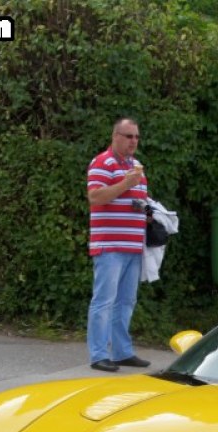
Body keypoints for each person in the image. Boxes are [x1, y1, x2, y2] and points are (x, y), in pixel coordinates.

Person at [85, 117, 151, 372]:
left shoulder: (136, 166)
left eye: (136, 137)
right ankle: (99, 354)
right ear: (115, 136)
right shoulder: (102, 163)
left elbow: (136, 200)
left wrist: (150, 212)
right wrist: (125, 183)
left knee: (126, 301)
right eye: (128, 136)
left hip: (132, 246)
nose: (133, 141)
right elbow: (95, 197)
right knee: (104, 301)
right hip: (110, 245)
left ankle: (122, 352)